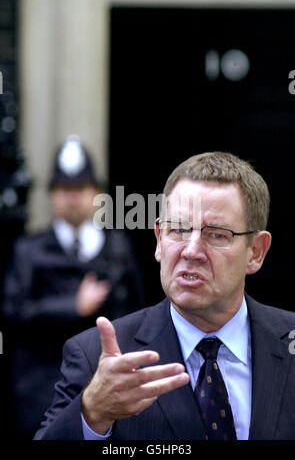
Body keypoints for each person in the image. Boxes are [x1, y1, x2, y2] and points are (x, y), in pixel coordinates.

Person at [34, 151, 295, 440]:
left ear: (256, 252)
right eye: (178, 230)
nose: (191, 250)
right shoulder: (95, 356)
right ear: (159, 240)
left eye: (216, 235)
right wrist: (93, 415)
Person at [1, 135, 145, 439]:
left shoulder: (118, 247)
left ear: (96, 192)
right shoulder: (29, 250)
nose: (73, 197)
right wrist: (72, 306)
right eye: (64, 189)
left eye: (81, 188)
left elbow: (138, 315)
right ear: (52, 195)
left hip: (106, 386)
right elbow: (13, 313)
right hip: (41, 390)